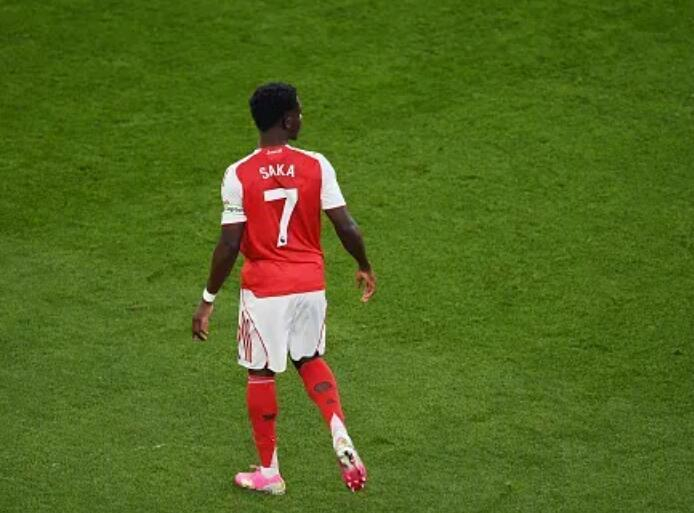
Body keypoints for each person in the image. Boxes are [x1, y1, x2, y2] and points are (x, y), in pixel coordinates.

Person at [191, 82, 376, 495]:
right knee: (309, 358)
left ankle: (269, 472)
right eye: (299, 112)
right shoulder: (316, 165)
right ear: (288, 120)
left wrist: (207, 300)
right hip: (310, 283)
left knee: (261, 372)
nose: (302, 117)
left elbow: (229, 245)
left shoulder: (238, 174)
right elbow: (346, 225)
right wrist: (363, 264)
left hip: (265, 290)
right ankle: (337, 428)